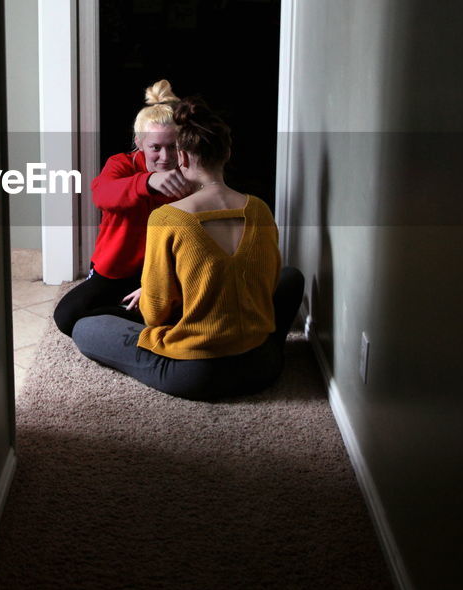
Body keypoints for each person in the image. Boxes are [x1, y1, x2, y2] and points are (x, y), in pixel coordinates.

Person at [68, 96, 305, 401]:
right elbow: (268, 283)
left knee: (87, 328)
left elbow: (155, 314)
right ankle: (257, 344)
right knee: (292, 277)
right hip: (262, 364)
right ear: (227, 152)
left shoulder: (168, 217)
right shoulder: (259, 208)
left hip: (198, 373)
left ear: (183, 157)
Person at [52, 79, 195, 335]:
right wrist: (148, 182)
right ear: (139, 143)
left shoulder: (190, 175)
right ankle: (138, 317)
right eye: (155, 147)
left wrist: (157, 286)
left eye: (173, 146)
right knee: (66, 316)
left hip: (166, 273)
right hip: (116, 271)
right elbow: (101, 195)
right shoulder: (120, 164)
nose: (166, 156)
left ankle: (144, 317)